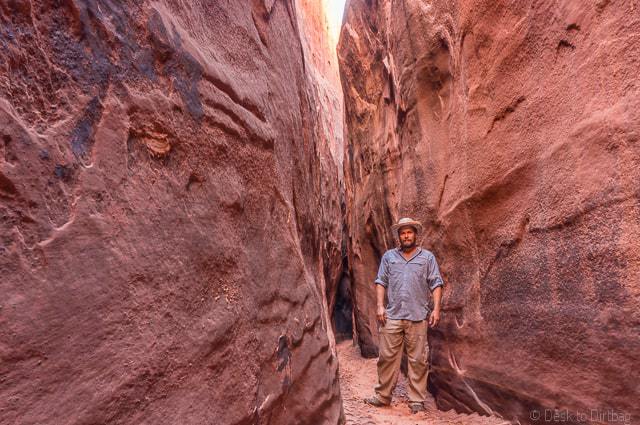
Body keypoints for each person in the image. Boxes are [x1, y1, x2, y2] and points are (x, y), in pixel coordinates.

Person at [363, 217, 444, 414]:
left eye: (409, 232)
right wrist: (380, 306)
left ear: (415, 234)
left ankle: (416, 400)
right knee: (386, 358)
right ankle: (383, 396)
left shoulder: (427, 258)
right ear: (399, 236)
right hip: (392, 315)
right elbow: (380, 281)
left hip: (417, 316)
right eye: (402, 233)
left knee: (418, 360)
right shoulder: (389, 257)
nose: (406, 235)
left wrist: (436, 309)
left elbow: (436, 283)